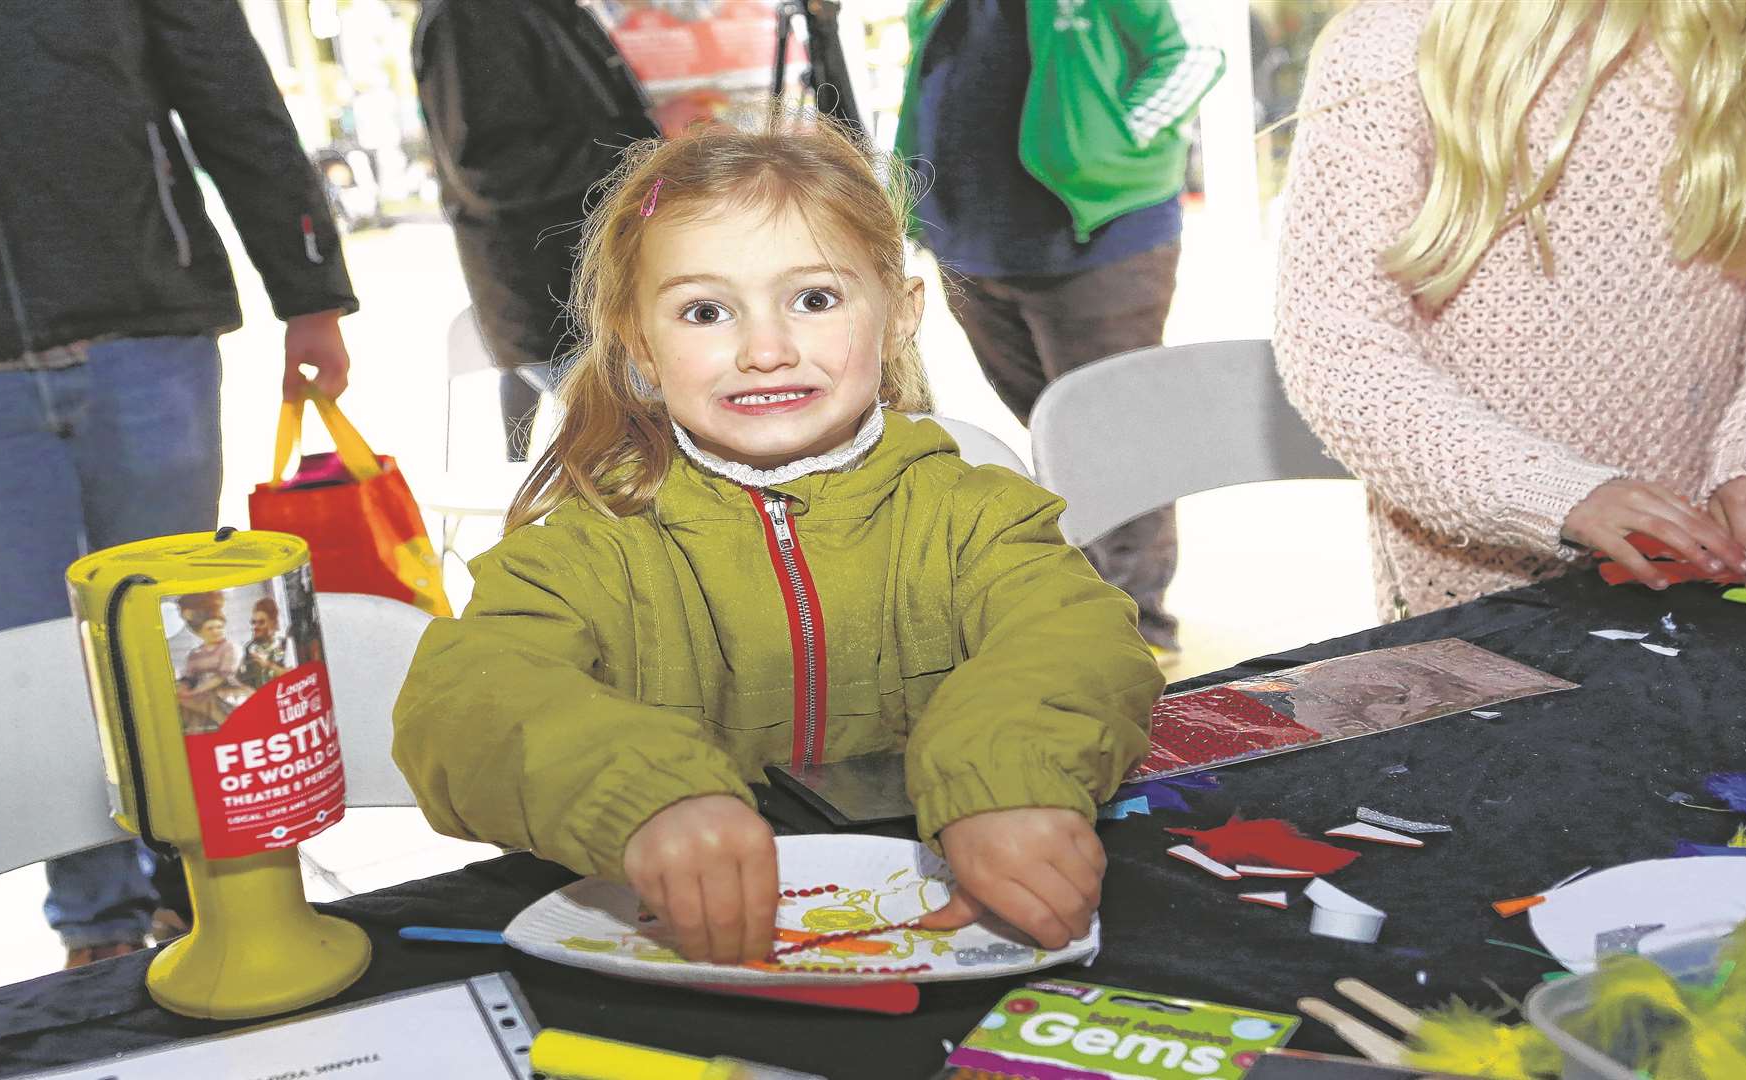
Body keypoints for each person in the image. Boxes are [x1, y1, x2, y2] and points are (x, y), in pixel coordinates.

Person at [393, 115, 1163, 965]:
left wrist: (1007, 780)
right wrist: (642, 799)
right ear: (638, 344)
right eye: (707, 310)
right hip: (677, 955)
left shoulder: (976, 515)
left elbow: (1077, 643)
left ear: (902, 313)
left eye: (815, 299)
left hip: (920, 930)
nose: (766, 349)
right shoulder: (588, 545)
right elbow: (466, 699)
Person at [0, 0, 358, 966]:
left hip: (146, 334)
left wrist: (310, 291)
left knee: (189, 650)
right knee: (31, 667)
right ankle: (97, 923)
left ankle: (217, 896)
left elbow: (228, 88)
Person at [1274, 0, 1746, 620]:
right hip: (1476, 602)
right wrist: (1557, 494)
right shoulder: (1392, 44)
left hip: (1717, 567)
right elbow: (1341, 352)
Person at [894, 0, 1225, 657]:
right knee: (1052, 429)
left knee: (1116, 430)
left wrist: (1117, 136)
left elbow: (1192, 57)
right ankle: (1088, 598)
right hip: (974, 248)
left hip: (1097, 242)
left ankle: (1136, 626)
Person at [413, 0, 661, 462]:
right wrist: (638, 159)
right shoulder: (472, 15)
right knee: (659, 466)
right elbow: (491, 167)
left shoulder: (546, 10)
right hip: (560, 301)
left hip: (602, 299)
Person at [238, 597, 291, 691]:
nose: (255, 627)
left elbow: (293, 675)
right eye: (253, 623)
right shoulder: (249, 649)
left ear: (273, 623)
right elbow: (243, 681)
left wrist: (267, 665)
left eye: (261, 622)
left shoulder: (284, 645)